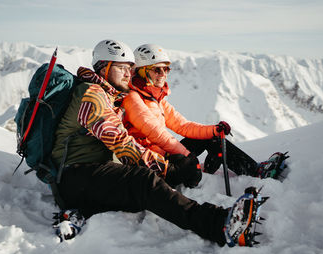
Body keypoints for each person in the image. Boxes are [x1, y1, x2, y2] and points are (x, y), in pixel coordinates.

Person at [50, 39, 260, 247]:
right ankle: (220, 225)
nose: (127, 74)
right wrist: (167, 167)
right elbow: (121, 143)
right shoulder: (92, 95)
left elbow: (173, 127)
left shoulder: (109, 95)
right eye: (122, 68)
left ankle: (82, 211)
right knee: (143, 181)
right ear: (104, 68)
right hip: (75, 176)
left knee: (138, 184)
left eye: (130, 68)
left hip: (89, 175)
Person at [122, 44, 286, 183]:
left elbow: (182, 125)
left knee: (212, 137)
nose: (163, 74)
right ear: (142, 71)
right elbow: (157, 134)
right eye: (157, 70)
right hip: (152, 162)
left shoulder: (155, 98)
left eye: (166, 69)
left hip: (163, 153)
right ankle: (255, 172)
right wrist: (186, 155)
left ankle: (240, 170)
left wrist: (213, 130)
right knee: (208, 142)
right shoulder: (133, 98)